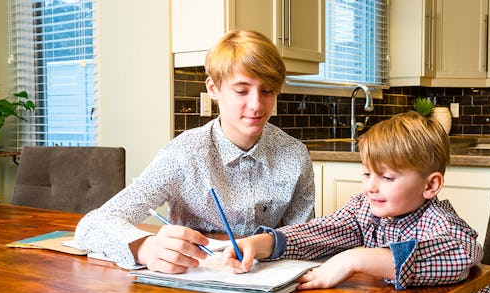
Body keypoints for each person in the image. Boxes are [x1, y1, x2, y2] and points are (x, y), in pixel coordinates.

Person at [223, 112, 490, 293]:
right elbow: (322, 231)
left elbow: (459, 254)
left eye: (387, 178)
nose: (371, 186)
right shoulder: (364, 209)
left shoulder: (440, 221)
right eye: (367, 174)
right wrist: (264, 243)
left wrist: (356, 258)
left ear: (430, 185)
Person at [75, 30, 315, 273]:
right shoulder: (183, 154)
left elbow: (306, 239)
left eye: (267, 91)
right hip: (194, 289)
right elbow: (92, 225)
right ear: (213, 88)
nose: (256, 105)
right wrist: (145, 249)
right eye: (241, 91)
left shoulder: (295, 155)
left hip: (274, 290)